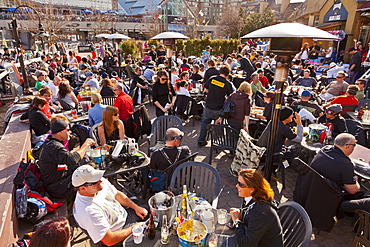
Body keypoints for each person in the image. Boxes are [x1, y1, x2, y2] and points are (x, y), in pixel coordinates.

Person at [72, 165, 148, 246]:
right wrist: (134, 228)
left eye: (98, 177)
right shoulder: (88, 211)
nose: (100, 181)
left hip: (125, 215)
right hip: (118, 232)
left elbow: (116, 194)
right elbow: (109, 240)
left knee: (156, 213)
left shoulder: (100, 183)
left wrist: (136, 207)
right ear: (83, 188)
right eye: (94, 181)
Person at [39, 120, 95, 199]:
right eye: (68, 130)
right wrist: (86, 144)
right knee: (92, 180)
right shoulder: (53, 146)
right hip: (57, 187)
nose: (70, 133)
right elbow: (72, 160)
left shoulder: (51, 143)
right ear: (60, 133)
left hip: (59, 181)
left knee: (87, 165)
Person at [230, 169, 283, 246]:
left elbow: (246, 244)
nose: (236, 186)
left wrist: (237, 221)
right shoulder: (251, 197)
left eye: (240, 184)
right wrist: (240, 214)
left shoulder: (260, 212)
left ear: (252, 189)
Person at [310, 133, 361, 197]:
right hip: (330, 195)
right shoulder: (346, 164)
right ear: (347, 146)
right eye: (354, 145)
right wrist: (356, 179)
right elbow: (352, 190)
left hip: (313, 186)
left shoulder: (324, 149)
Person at [198, 65, 234, 146]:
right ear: (227, 74)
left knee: (204, 123)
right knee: (218, 126)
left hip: (208, 105)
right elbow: (229, 97)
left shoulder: (212, 78)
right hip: (218, 107)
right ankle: (218, 144)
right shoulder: (227, 83)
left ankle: (201, 140)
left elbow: (206, 89)